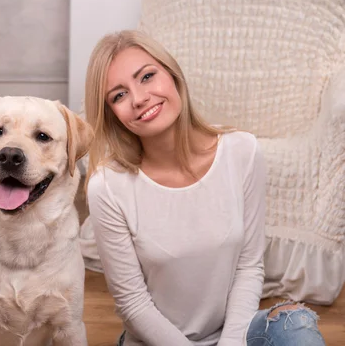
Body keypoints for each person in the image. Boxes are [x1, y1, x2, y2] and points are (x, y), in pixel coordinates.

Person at [83, 29, 326, 346]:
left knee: (297, 325)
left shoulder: (242, 152)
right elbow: (133, 304)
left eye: (146, 76)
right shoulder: (107, 187)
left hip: (231, 337)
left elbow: (249, 266)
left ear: (171, 74)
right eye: (119, 95)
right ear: (112, 114)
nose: (139, 98)